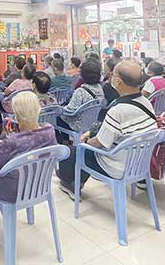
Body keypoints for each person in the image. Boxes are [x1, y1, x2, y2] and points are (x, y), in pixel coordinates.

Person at [57, 60, 157, 197]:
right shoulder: (146, 103)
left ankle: (69, 183)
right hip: (140, 162)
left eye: (112, 75)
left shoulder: (118, 110)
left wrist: (85, 141)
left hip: (117, 167)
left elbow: (99, 143)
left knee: (75, 150)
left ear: (118, 81)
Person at [0, 92, 56, 203]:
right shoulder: (49, 130)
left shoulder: (13, 140)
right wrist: (3, 143)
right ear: (38, 109)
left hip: (13, 192)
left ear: (17, 115)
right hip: (39, 187)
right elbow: (30, 143)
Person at [56, 60, 104, 143]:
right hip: (93, 121)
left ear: (83, 75)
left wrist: (61, 108)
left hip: (79, 124)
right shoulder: (100, 88)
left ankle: (65, 141)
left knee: (57, 117)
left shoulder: (81, 91)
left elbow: (70, 110)